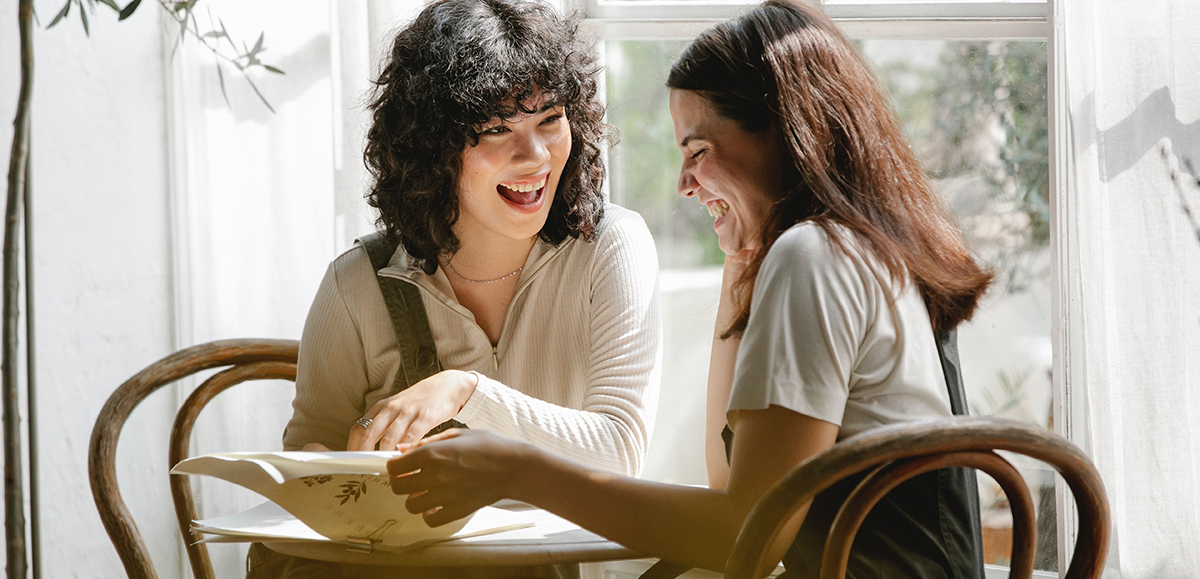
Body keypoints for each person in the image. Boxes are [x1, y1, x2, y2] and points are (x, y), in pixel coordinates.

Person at [385, 1, 993, 577]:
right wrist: (740, 267)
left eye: (697, 150)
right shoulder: (857, 249)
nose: (683, 183)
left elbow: (745, 538)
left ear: (787, 134)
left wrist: (517, 470)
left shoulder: (814, 257)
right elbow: (728, 485)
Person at [257, 0, 661, 575]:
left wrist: (466, 393)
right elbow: (309, 446)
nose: (537, 156)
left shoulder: (612, 246)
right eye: (497, 130)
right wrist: (330, 468)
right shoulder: (356, 283)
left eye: (550, 119)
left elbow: (620, 456)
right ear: (432, 150)